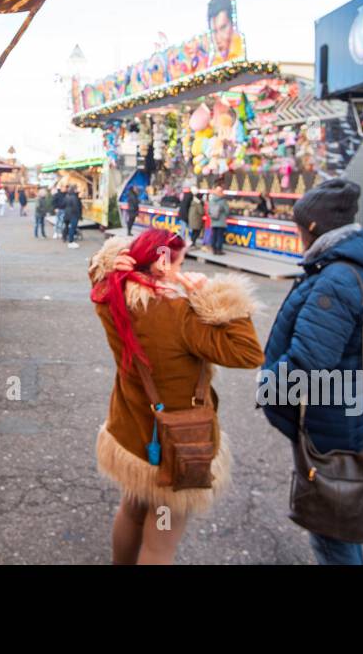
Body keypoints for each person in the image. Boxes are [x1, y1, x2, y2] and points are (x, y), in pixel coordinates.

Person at [89, 228, 263, 564]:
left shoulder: (112, 296)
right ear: (164, 265)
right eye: (181, 262)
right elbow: (248, 353)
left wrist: (114, 263)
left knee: (132, 510)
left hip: (131, 430)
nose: (183, 269)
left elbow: (97, 274)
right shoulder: (181, 314)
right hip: (178, 445)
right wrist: (214, 296)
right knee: (160, 542)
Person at [257, 178, 363, 566]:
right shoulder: (355, 268)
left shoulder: (335, 279)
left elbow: (309, 359)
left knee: (330, 525)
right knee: (336, 514)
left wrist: (268, 385)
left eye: (299, 224)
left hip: (326, 413)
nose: (296, 231)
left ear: (314, 228)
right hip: (342, 402)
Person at [207, 189, 229, 255]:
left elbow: (208, 211)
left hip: (213, 221)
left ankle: (214, 249)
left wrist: (212, 217)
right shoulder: (223, 201)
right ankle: (219, 250)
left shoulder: (211, 201)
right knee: (220, 237)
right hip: (221, 222)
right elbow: (227, 211)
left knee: (214, 236)